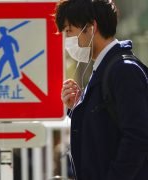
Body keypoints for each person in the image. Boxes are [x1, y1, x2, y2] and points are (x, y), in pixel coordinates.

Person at [55, 0, 148, 179]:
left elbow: (137, 138)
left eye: (69, 31)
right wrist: (76, 108)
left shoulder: (123, 70)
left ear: (91, 27)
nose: (66, 40)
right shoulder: (105, 69)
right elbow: (103, 132)